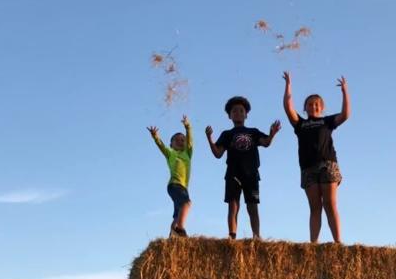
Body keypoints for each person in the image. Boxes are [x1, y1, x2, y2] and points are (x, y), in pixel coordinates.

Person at [282, 72, 350, 243]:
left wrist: (344, 91)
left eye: (317, 104)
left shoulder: (327, 121)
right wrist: (288, 85)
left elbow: (345, 114)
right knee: (315, 207)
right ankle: (313, 244)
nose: (313, 107)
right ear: (305, 108)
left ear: (322, 107)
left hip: (328, 164)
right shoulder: (300, 124)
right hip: (308, 167)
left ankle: (337, 242)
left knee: (330, 204)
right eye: (310, 104)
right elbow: (288, 108)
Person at [205, 96, 280, 239]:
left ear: (246, 114)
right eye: (234, 111)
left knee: (252, 206)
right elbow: (218, 153)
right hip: (233, 173)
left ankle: (256, 237)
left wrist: (272, 134)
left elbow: (265, 143)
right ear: (229, 116)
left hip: (251, 173)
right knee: (233, 205)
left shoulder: (253, 131)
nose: (238, 113)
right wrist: (210, 139)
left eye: (241, 110)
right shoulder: (227, 134)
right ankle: (232, 236)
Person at [148, 115, 193, 237]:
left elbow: (190, 141)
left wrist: (187, 127)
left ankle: (171, 237)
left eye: (182, 139)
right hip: (174, 184)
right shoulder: (170, 153)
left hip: (183, 187)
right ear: (171, 144)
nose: (180, 141)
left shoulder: (187, 153)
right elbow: (161, 146)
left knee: (177, 215)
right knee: (187, 204)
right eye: (176, 140)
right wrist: (155, 136)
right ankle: (180, 229)